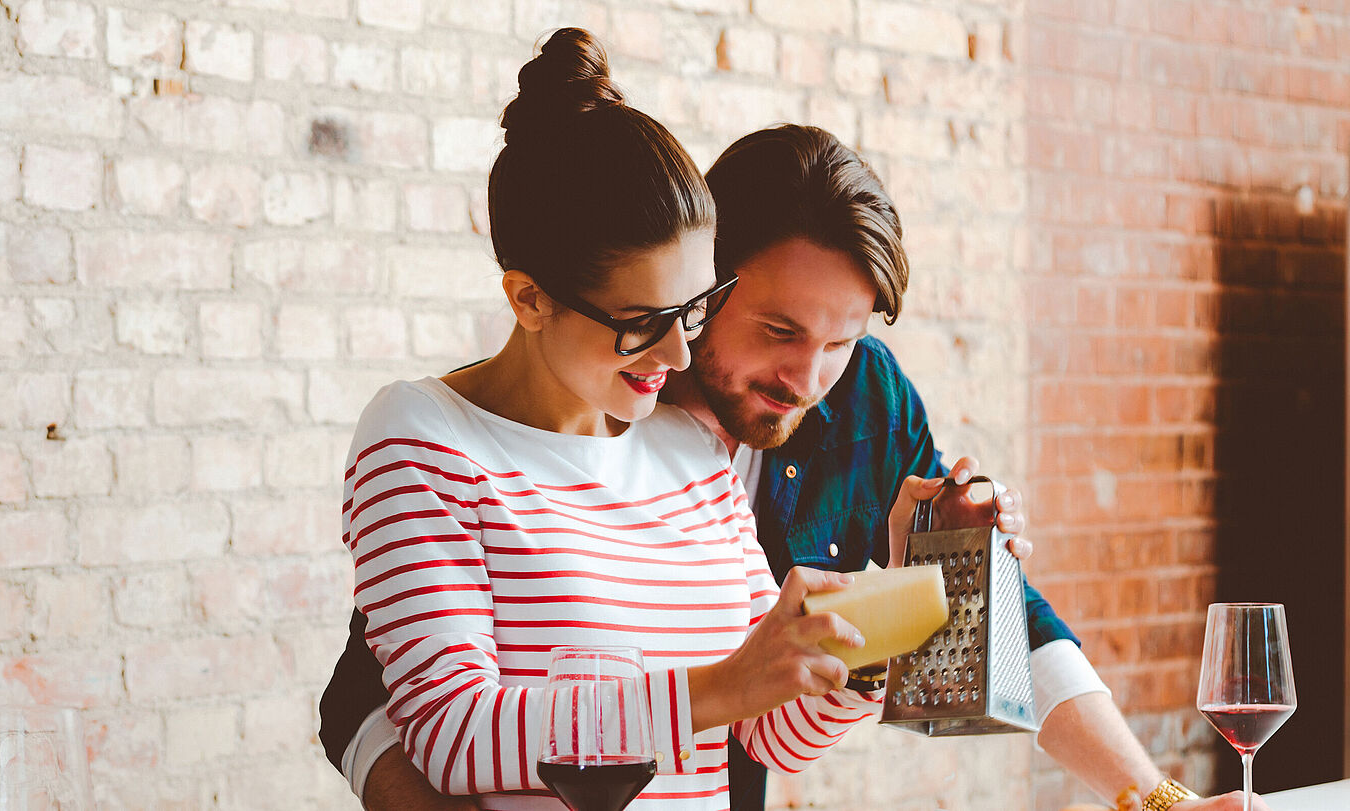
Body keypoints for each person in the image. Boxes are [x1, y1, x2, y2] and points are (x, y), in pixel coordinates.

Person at [325, 113, 1269, 810]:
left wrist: (930, 588)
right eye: (776, 329)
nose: (809, 377)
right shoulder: (540, 403)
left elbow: (811, 699)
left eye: (840, 340)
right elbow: (396, 696)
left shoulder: (849, 403)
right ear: (707, 277)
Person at [340, 29, 953, 811]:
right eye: (642, 319)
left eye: (694, 310)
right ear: (529, 298)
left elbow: (768, 735)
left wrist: (866, 645)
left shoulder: (691, 449)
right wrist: (722, 685)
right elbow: (454, 731)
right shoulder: (426, 438)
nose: (677, 351)